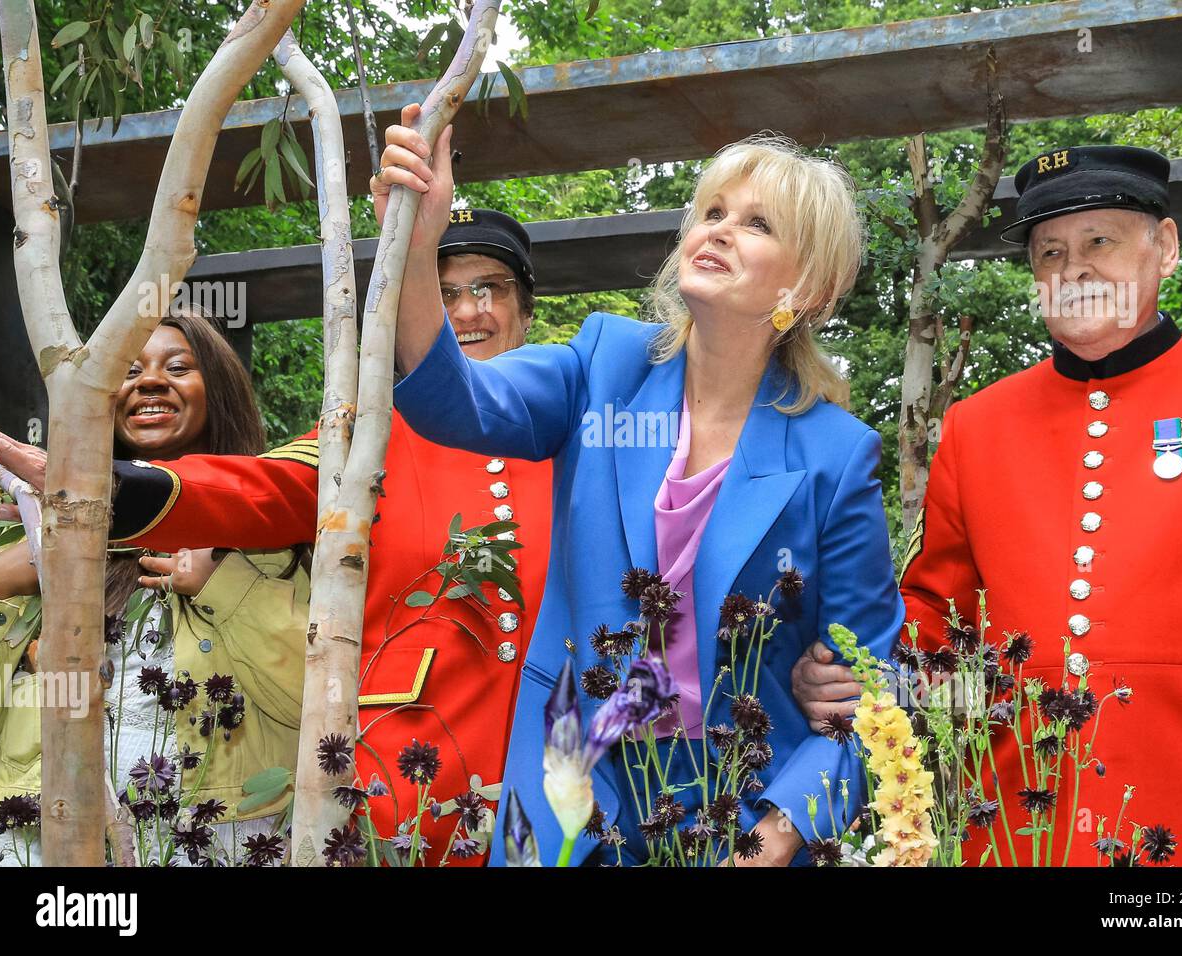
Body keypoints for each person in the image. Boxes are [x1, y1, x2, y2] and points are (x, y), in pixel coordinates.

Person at [383, 107, 905, 866]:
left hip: (739, 800)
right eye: (712, 212)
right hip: (570, 784)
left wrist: (771, 841)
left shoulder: (837, 454)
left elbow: (868, 696)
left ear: (810, 285)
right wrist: (418, 242)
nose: (718, 230)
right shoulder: (602, 363)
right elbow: (452, 398)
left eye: (756, 223)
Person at [0, 204, 555, 866]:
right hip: (410, 783)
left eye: (489, 289)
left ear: (527, 307)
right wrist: (94, 500)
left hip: (558, 760)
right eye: (442, 291)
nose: (466, 311)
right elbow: (260, 489)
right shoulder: (364, 440)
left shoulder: (571, 428)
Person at [791, 145, 1182, 866]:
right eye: (1049, 252)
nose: (1073, 269)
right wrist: (856, 671)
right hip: (1028, 816)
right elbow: (937, 614)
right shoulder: (978, 423)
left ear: (1166, 247)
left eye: (1099, 242)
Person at [0, 308, 308, 866]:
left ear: (221, 391)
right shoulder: (31, 529)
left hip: (209, 840)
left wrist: (227, 587)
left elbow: (316, 701)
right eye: (128, 370)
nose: (150, 380)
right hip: (44, 839)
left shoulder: (275, 534)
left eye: (178, 366)